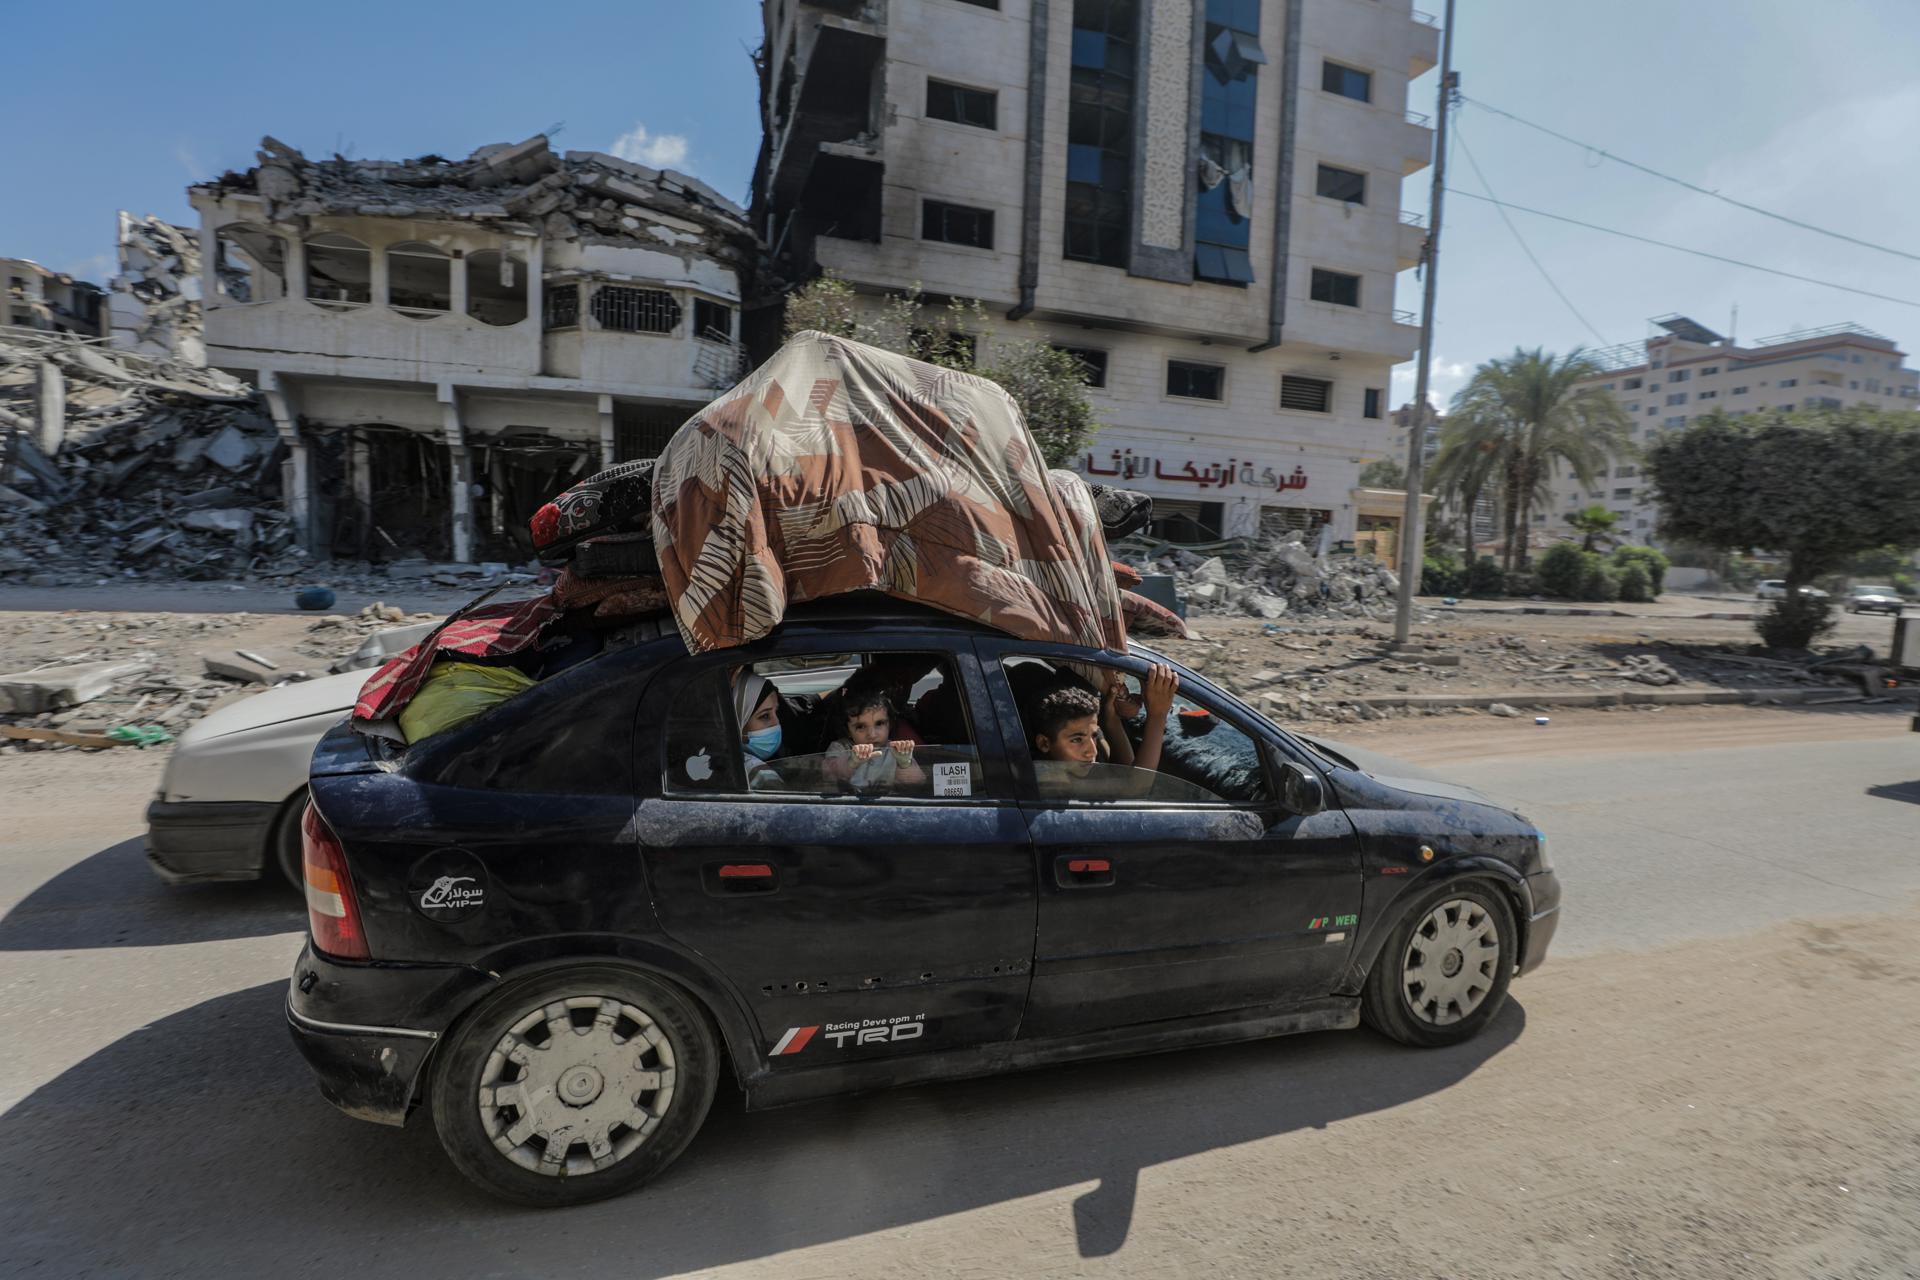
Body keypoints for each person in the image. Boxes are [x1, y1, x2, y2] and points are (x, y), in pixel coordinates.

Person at [1032, 663, 1177, 794]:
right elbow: (1134, 787)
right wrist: (1158, 715)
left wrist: (1112, 721)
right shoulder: (1045, 777)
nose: (1092, 751)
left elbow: (1124, 770)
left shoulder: (1080, 759)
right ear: (1044, 743)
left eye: (1094, 736)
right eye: (1077, 740)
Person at [823, 683, 926, 791]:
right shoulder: (840, 748)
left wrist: (905, 764)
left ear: (889, 724)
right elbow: (829, 777)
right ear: (847, 730)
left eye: (879, 723)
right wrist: (850, 763)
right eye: (861, 726)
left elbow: (916, 785)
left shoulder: (897, 750)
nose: (872, 734)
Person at [733, 672, 785, 791]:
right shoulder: (762, 777)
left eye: (776, 712)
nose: (776, 723)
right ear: (739, 721)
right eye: (765, 716)